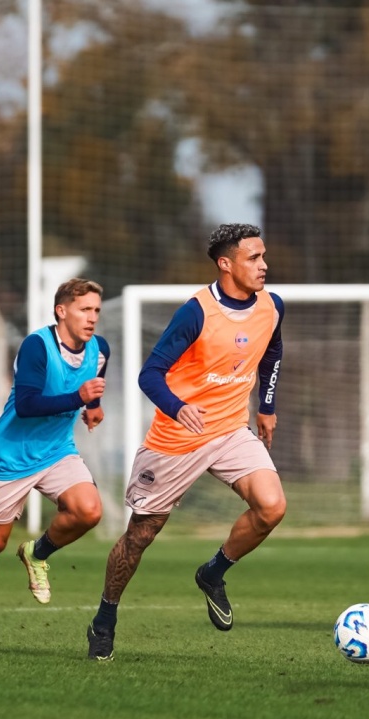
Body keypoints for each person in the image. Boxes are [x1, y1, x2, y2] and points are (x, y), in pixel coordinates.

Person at [86, 223, 285, 661]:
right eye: (254, 258)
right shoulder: (196, 312)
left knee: (272, 506)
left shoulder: (272, 306)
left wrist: (266, 407)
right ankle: (105, 617)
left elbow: (271, 353)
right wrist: (178, 407)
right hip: (178, 437)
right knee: (141, 535)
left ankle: (213, 572)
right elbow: (149, 374)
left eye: (264, 256)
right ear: (226, 264)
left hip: (232, 429)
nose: (264, 265)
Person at [0, 278, 109, 640]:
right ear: (62, 311)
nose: (92, 318)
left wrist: (94, 406)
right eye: (85, 309)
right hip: (12, 455)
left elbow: (96, 377)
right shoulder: (37, 346)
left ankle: (37, 553)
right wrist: (78, 398)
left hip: (57, 451)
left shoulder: (100, 348)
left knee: (89, 511)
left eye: (96, 310)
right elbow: (26, 405)